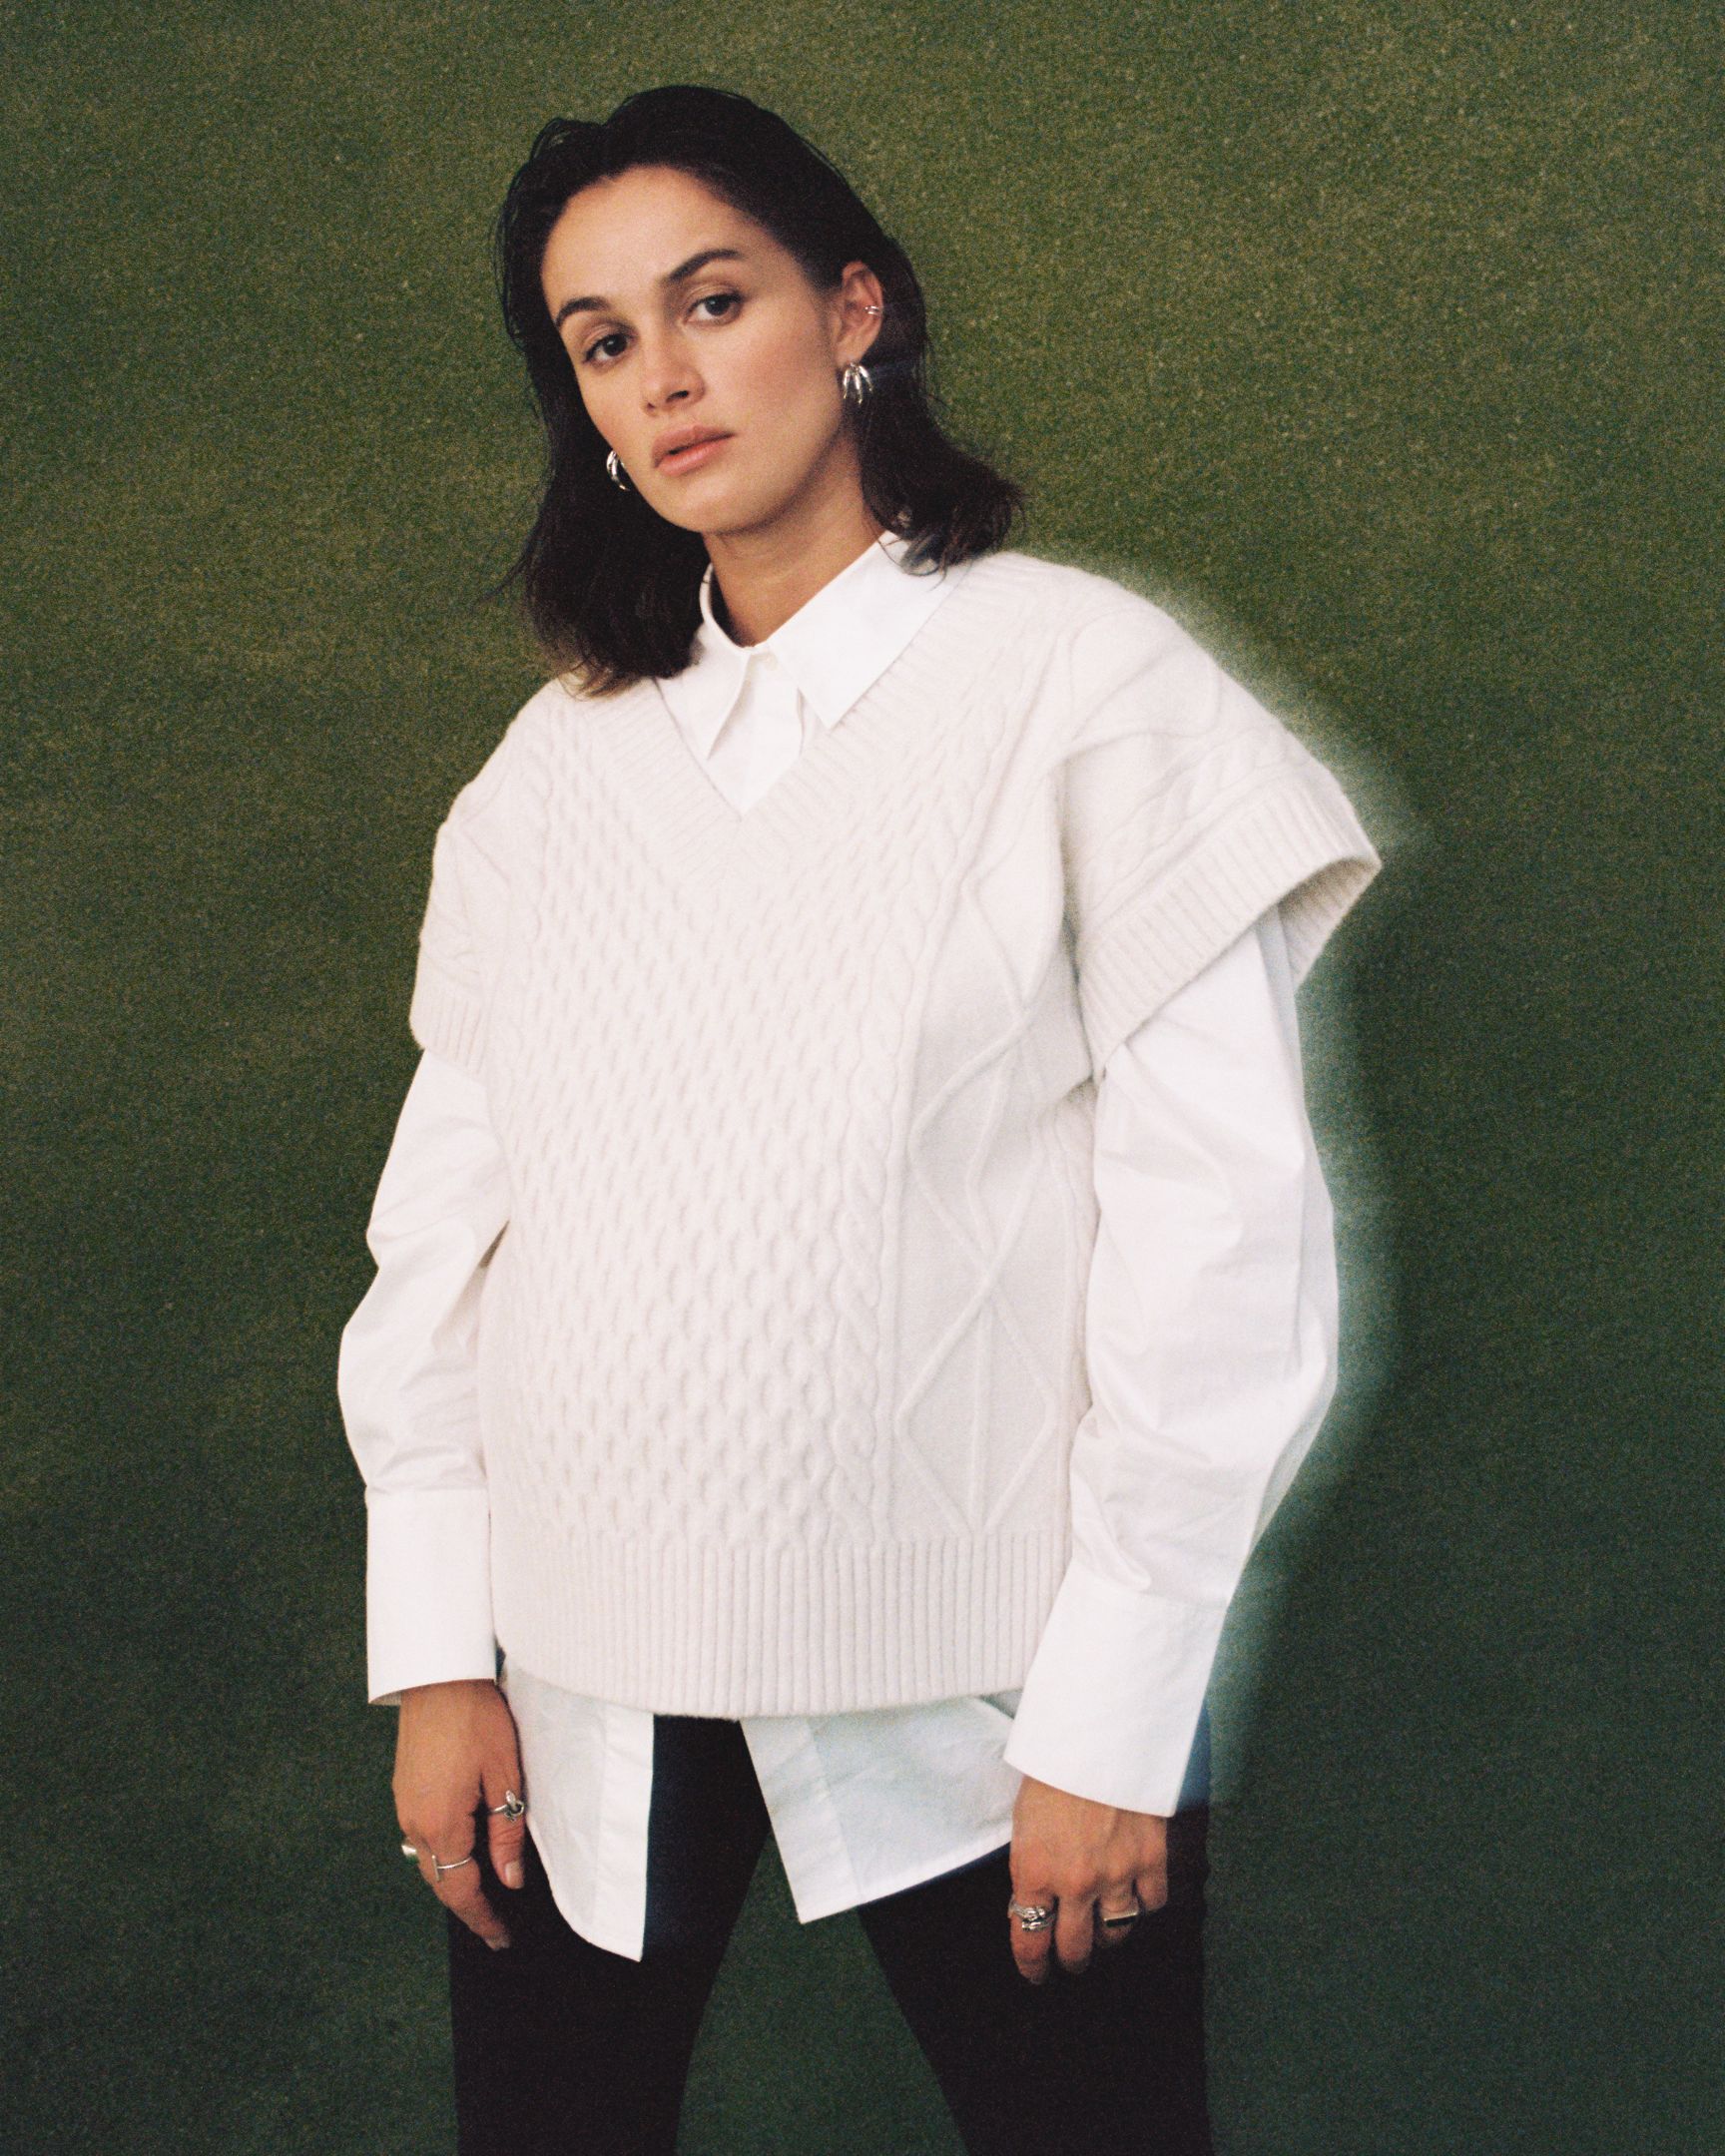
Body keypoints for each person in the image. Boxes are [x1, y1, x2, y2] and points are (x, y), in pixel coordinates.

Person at [337, 84, 1382, 2156]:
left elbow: (1221, 1243)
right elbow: (444, 1235)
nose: (665, 375)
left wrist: (1118, 1713)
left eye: (712, 302)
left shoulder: (1087, 688)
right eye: (603, 341)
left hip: (986, 1689)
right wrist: (437, 1647)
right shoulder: (553, 770)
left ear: (854, 308)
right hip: (571, 1685)